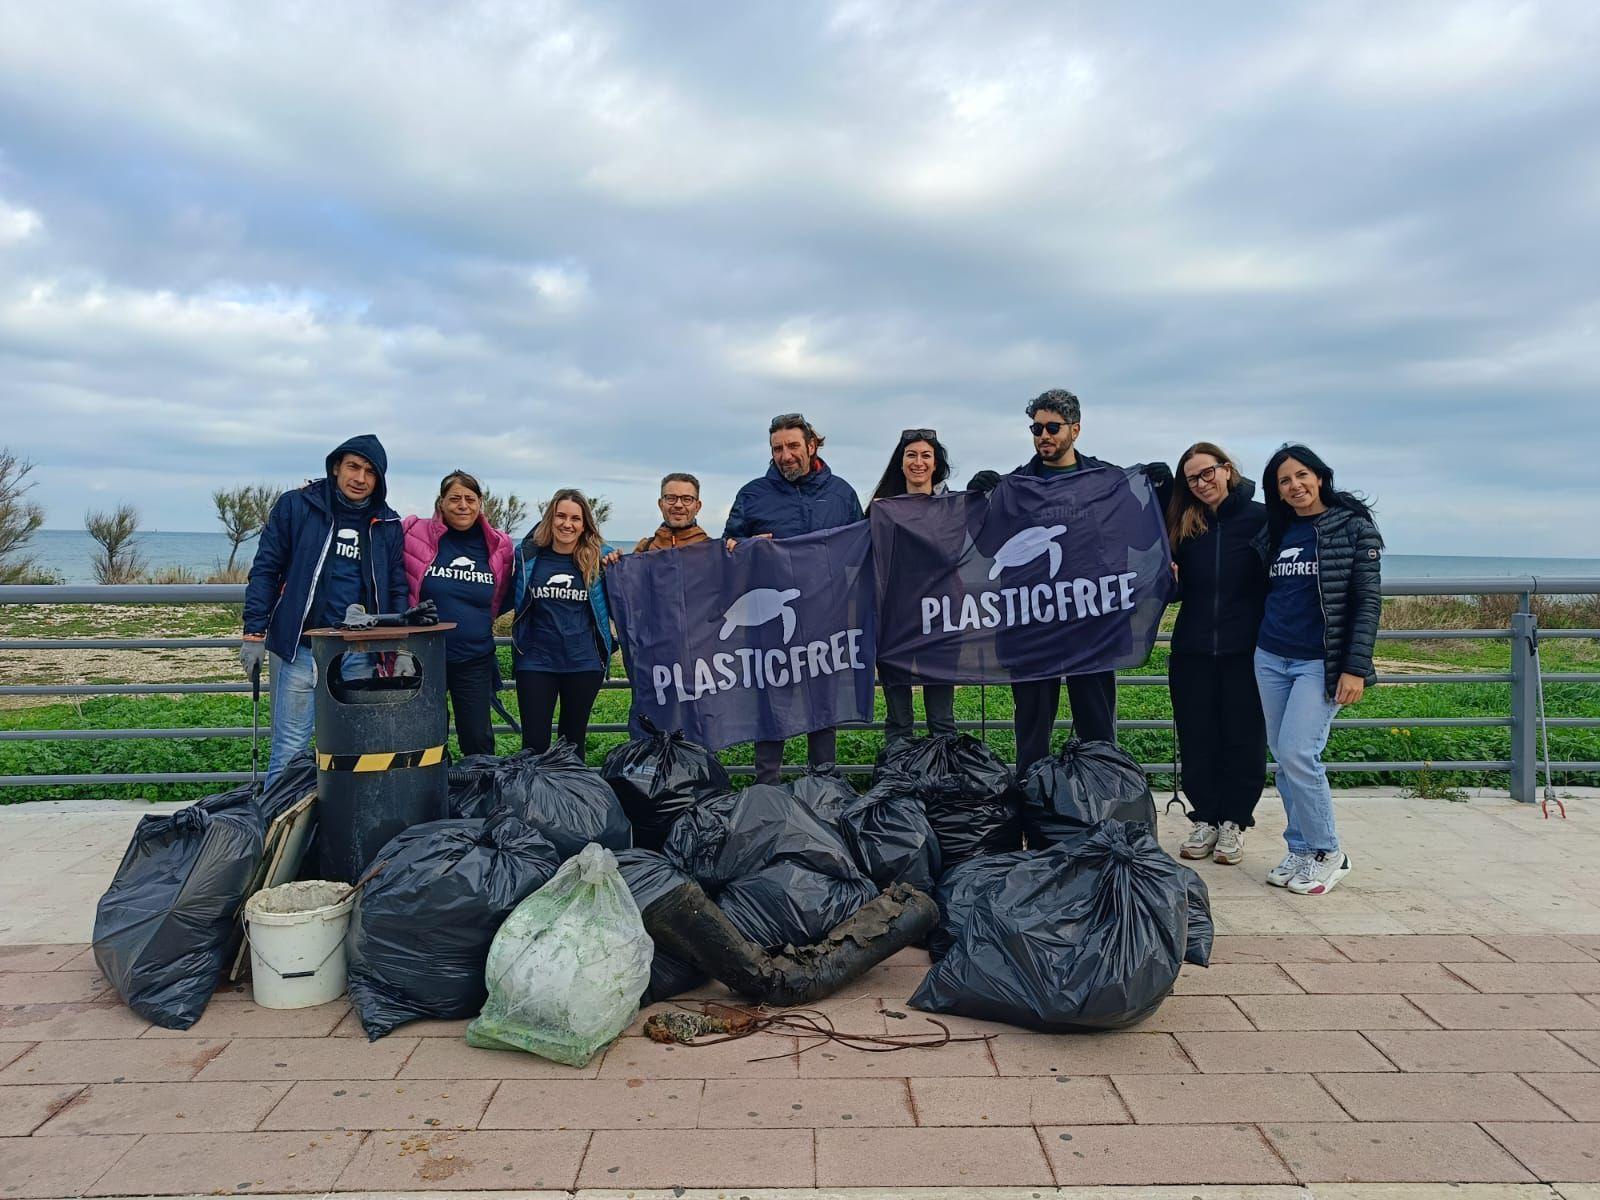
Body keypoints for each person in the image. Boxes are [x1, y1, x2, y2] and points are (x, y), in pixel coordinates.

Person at [967, 389, 1172, 776]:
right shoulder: (1015, 487)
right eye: (1036, 428)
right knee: (1032, 731)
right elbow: (988, 547)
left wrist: (1161, 497)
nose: (1043, 435)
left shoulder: (1107, 482)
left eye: (1052, 427)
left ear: (1075, 430)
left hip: (1091, 625)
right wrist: (977, 502)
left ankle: (1101, 807)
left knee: (1097, 728)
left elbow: (1140, 538)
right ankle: (1033, 814)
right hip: (1031, 627)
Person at [1253, 443, 1382, 896]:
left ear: (1320, 476)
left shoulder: (1352, 527)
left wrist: (1355, 667)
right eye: (1285, 481)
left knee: (1298, 754)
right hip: (1270, 656)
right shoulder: (1278, 528)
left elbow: (1367, 603)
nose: (1295, 486)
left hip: (1318, 663)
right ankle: (1302, 849)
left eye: (1301, 475)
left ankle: (1329, 851)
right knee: (1285, 761)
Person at [240, 434, 405, 786]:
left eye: (370, 472)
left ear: (379, 480)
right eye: (353, 467)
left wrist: (400, 645)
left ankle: (348, 828)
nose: (360, 478)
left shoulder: (388, 524)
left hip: (361, 653)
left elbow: (396, 588)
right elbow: (266, 570)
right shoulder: (297, 506)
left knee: (357, 747)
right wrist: (254, 633)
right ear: (336, 468)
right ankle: (278, 830)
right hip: (302, 649)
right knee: (290, 749)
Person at [724, 412, 864, 783]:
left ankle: (824, 783)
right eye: (777, 448)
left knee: (824, 706)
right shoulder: (752, 495)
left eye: (792, 446)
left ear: (812, 445)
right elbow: (728, 551)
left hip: (826, 620)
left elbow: (860, 553)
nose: (785, 455)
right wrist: (748, 548)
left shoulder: (842, 493)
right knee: (771, 704)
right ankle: (766, 786)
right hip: (768, 625)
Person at [1165, 442, 1269, 866]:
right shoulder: (1186, 525)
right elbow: (1179, 591)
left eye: (1207, 473)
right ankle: (1205, 817)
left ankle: (1234, 822)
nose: (1202, 483)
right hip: (1191, 649)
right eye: (1192, 478)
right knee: (1197, 736)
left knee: (1244, 738)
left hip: (1246, 650)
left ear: (1227, 469)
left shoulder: (1263, 518)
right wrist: (1170, 581)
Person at [402, 471, 514, 757]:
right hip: (424, 656)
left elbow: (503, 595)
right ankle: (432, 797)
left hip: (474, 657)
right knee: (427, 736)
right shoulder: (413, 532)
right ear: (441, 503)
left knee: (478, 739)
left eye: (470, 498)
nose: (463, 505)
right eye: (455, 498)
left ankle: (479, 797)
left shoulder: (500, 546)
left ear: (480, 504)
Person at [511, 488, 617, 757]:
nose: (567, 524)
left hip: (583, 664)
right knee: (533, 746)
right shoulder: (529, 556)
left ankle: (571, 799)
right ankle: (535, 800)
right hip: (535, 662)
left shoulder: (599, 560)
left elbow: (625, 607)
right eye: (560, 516)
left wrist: (618, 564)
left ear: (584, 525)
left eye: (575, 518)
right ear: (550, 518)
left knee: (572, 745)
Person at [870, 428, 958, 746]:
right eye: (911, 455)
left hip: (942, 619)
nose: (918, 462)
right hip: (895, 622)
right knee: (898, 718)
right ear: (901, 462)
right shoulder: (881, 509)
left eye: (925, 455)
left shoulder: (953, 507)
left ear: (936, 464)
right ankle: (899, 782)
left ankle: (944, 786)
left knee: (942, 718)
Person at [635, 473, 710, 553]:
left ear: (697, 507)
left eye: (687, 499)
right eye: (671, 498)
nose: (678, 505)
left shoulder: (713, 550)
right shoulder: (645, 548)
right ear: (661, 504)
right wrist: (620, 563)